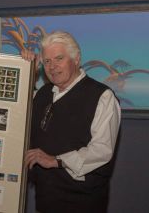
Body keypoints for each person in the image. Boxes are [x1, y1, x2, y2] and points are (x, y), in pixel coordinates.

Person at [23, 31, 121, 213]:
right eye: (47, 61)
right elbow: (15, 107)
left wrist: (56, 160)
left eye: (59, 58)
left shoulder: (102, 96)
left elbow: (102, 150)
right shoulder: (43, 94)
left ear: (76, 59)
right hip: (45, 199)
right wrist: (27, 70)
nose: (52, 67)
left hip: (82, 202)